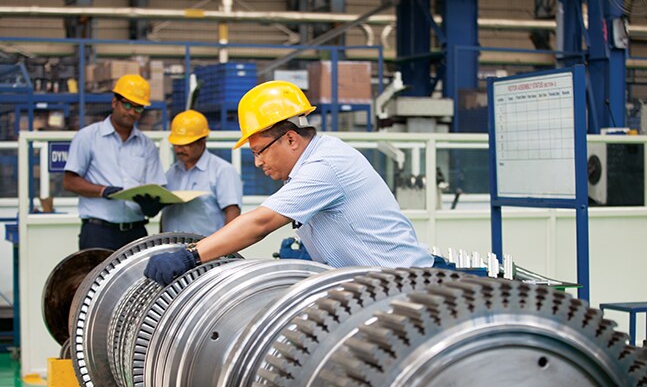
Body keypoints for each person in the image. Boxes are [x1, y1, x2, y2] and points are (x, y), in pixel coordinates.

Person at [144, 80, 434, 286]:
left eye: (259, 151)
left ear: (291, 139)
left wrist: (190, 256)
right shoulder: (308, 165)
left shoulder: (325, 165)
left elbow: (261, 222)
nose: (258, 162)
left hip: (404, 287)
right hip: (374, 286)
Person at [63, 74, 166, 251]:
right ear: (114, 102)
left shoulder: (147, 146)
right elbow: (70, 182)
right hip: (98, 232)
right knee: (98, 271)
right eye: (127, 105)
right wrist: (103, 191)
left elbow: (155, 187)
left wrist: (152, 206)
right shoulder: (88, 137)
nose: (131, 112)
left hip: (135, 233)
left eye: (138, 107)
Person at [160, 109, 242, 235]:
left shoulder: (222, 171)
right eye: (176, 145)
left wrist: (227, 245)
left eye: (185, 145)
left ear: (202, 142)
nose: (179, 150)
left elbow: (233, 212)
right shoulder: (171, 173)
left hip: (207, 246)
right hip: (171, 245)